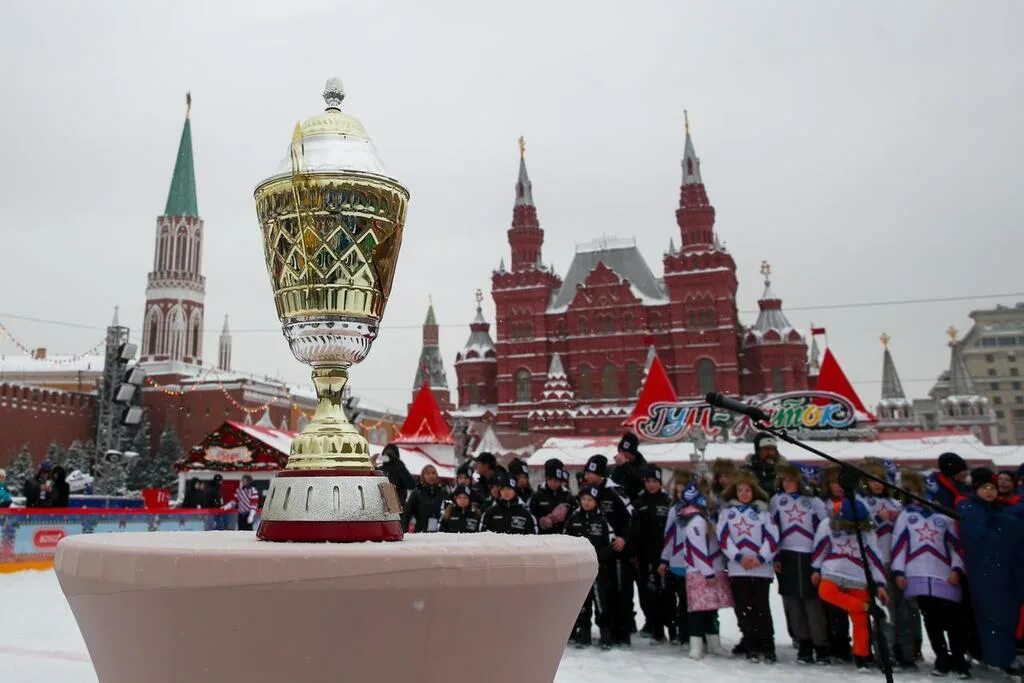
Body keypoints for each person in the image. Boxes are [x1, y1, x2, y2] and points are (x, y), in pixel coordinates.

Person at [891, 471, 968, 678]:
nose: (916, 495)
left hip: (944, 574)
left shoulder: (944, 516)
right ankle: (941, 658)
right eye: (911, 492)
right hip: (917, 575)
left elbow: (957, 547)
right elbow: (899, 544)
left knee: (953, 620)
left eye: (919, 491)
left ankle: (959, 658)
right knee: (931, 621)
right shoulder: (905, 515)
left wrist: (957, 568)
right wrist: (899, 571)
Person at [956, 467, 1024, 681]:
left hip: (1003, 572)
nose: (990, 492)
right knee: (991, 616)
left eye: (992, 488)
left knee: (1006, 616)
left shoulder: (999, 509)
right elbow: (977, 535)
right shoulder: (969, 507)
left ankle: (1005, 656)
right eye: (985, 487)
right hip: (985, 572)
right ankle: (996, 658)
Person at [811, 498, 890, 673]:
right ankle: (867, 606)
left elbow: (875, 557)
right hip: (833, 570)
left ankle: (861, 655)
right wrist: (816, 568)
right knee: (825, 592)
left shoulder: (868, 530)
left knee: (860, 618)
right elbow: (820, 546)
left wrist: (880, 584)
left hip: (857, 574)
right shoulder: (829, 524)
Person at [660, 478, 732, 659]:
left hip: (712, 569)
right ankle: (696, 645)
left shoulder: (706, 517)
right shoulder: (695, 520)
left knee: (711, 609)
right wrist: (708, 572)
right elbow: (697, 548)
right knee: (698, 610)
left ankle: (714, 643)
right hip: (700, 572)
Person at [770, 463, 831, 665]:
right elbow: (773, 529)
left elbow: (825, 530)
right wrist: (776, 555)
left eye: (792, 480)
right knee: (793, 602)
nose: (788, 483)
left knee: (812, 603)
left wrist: (818, 562)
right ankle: (803, 642)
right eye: (785, 479)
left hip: (809, 556)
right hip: (787, 555)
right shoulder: (777, 500)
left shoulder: (814, 502)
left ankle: (820, 644)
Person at [717, 469, 779, 662]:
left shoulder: (763, 513)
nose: (744, 494)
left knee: (762, 607)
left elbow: (773, 537)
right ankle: (751, 644)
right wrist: (738, 557)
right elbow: (723, 537)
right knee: (744, 607)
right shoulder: (727, 513)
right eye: (740, 490)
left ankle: (767, 645)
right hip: (738, 567)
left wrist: (761, 558)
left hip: (761, 568)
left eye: (748, 490)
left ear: (754, 492)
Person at [860, 458, 916, 670]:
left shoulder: (896, 500)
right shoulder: (863, 501)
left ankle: (906, 652)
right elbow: (861, 524)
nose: (877, 484)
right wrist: (877, 516)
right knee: (883, 610)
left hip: (899, 561)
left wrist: (897, 515)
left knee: (902, 609)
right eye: (873, 480)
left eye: (880, 480)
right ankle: (885, 652)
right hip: (877, 560)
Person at [583, 454, 635, 646]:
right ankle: (610, 631)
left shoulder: (614, 490)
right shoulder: (589, 491)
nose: (587, 476)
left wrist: (624, 538)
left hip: (618, 550)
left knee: (622, 592)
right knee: (606, 593)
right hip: (602, 551)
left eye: (591, 472)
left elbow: (632, 517)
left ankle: (623, 632)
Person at [564, 486, 616, 649]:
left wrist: (594, 556)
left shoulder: (603, 521)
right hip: (579, 570)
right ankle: (583, 634)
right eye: (584, 499)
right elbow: (566, 541)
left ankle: (605, 635)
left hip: (598, 569)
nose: (586, 503)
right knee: (582, 603)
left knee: (602, 603)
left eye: (590, 500)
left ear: (596, 502)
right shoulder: (573, 518)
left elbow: (611, 546)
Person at [632, 464, 673, 643]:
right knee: (649, 594)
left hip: (665, 555)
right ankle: (655, 628)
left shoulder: (668, 501)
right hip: (645, 555)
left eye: (654, 481)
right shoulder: (639, 503)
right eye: (648, 481)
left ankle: (673, 628)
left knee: (667, 594)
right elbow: (633, 530)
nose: (651, 485)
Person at [819, 463, 853, 662]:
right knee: (834, 607)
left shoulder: (857, 503)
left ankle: (863, 647)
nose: (838, 487)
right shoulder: (824, 504)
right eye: (834, 483)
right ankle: (838, 643)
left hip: (853, 562)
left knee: (858, 606)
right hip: (831, 562)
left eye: (842, 483)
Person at [530, 458, 574, 535]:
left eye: (557, 481)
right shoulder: (537, 496)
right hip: (543, 537)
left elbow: (573, 517)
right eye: (551, 480)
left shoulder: (568, 496)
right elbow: (531, 516)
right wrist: (541, 521)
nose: (554, 483)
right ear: (547, 479)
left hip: (562, 537)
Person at [402, 465, 448, 533]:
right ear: (423, 476)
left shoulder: (442, 492)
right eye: (428, 473)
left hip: (439, 533)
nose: (431, 476)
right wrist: (404, 533)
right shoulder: (417, 492)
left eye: (433, 473)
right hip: (420, 533)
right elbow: (407, 515)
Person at [611, 432, 647, 502]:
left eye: (624, 452)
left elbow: (641, 480)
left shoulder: (642, 465)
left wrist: (625, 465)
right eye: (620, 451)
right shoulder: (617, 467)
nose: (621, 454)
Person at [379, 444, 415, 509]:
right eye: (386, 453)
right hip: (381, 507)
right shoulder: (380, 470)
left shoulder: (400, 469)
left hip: (398, 506)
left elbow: (411, 485)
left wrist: (400, 467)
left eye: (391, 453)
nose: (388, 454)